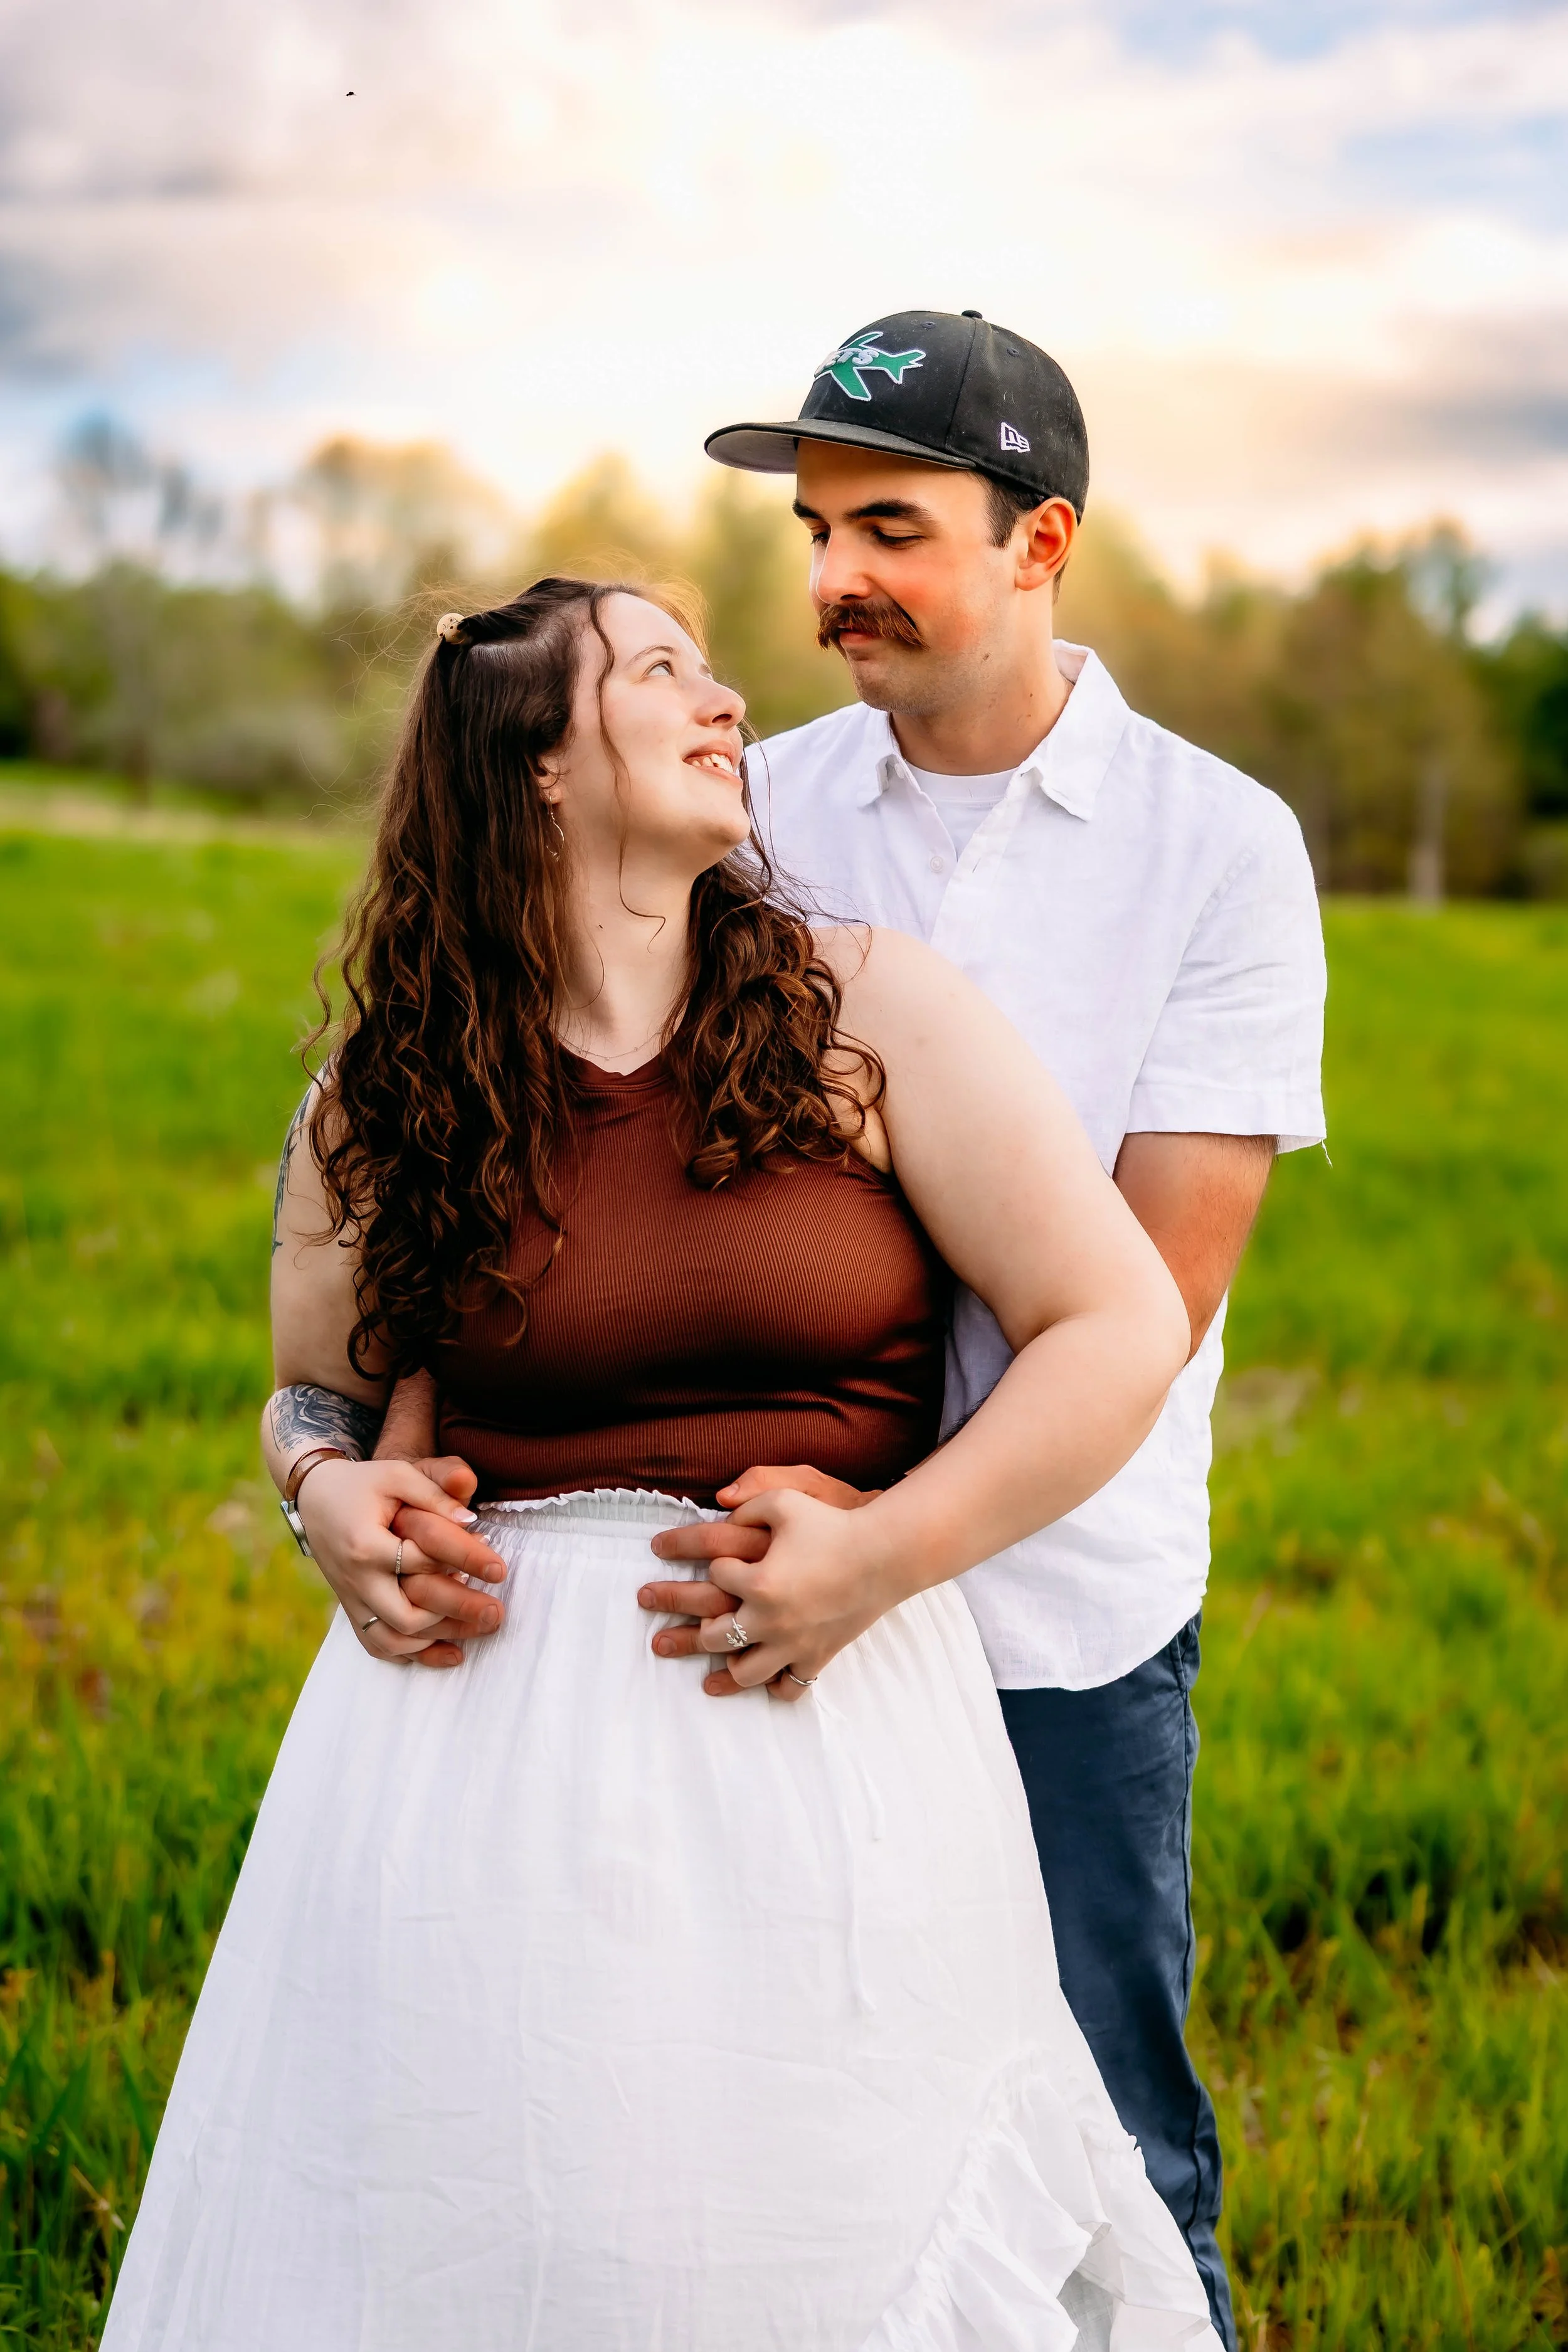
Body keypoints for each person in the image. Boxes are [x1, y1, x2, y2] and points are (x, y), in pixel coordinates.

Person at [103, 575, 1221, 2348]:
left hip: (821, 1723)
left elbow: (1117, 1324)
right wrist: (324, 1493)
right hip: (471, 1759)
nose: (725, 702)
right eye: (656, 673)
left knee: (813, 2236)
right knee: (493, 2232)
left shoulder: (870, 1014)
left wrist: (881, 1554)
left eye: (709, 669)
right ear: (537, 767)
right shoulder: (381, 1092)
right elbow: (315, 1395)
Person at [634, 310, 1328, 2349]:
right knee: (786, 2125)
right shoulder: (747, 814)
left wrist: (886, 1551)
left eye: (894, 526)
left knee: (1102, 2138)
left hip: (1053, 1617)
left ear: (1041, 546)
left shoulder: (1218, 847)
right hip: (752, 1578)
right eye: (817, 526)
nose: (834, 574)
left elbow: (1153, 1293)